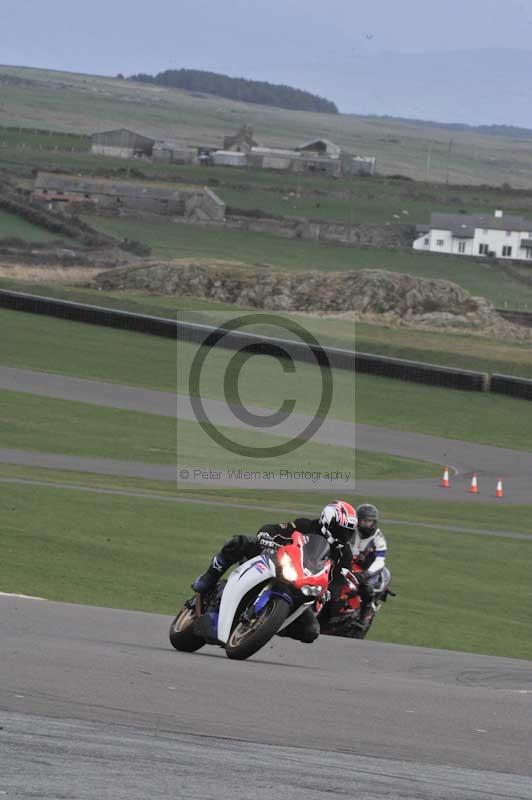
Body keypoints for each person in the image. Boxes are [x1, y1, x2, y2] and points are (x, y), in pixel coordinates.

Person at [192, 500, 358, 643]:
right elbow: (277, 529)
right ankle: (207, 581)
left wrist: (330, 592)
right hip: (277, 562)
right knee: (239, 542)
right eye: (341, 529)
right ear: (327, 521)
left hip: (301, 587)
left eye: (349, 532)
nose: (345, 535)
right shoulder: (305, 525)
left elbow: (340, 579)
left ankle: (268, 625)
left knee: (311, 631)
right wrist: (266, 536)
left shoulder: (345, 554)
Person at [348, 503, 389, 630]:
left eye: (370, 521)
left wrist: (367, 573)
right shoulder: (350, 530)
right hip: (349, 563)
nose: (367, 524)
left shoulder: (378, 538)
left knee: (367, 587)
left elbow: (380, 560)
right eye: (364, 521)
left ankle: (365, 615)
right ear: (358, 521)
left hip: (368, 569)